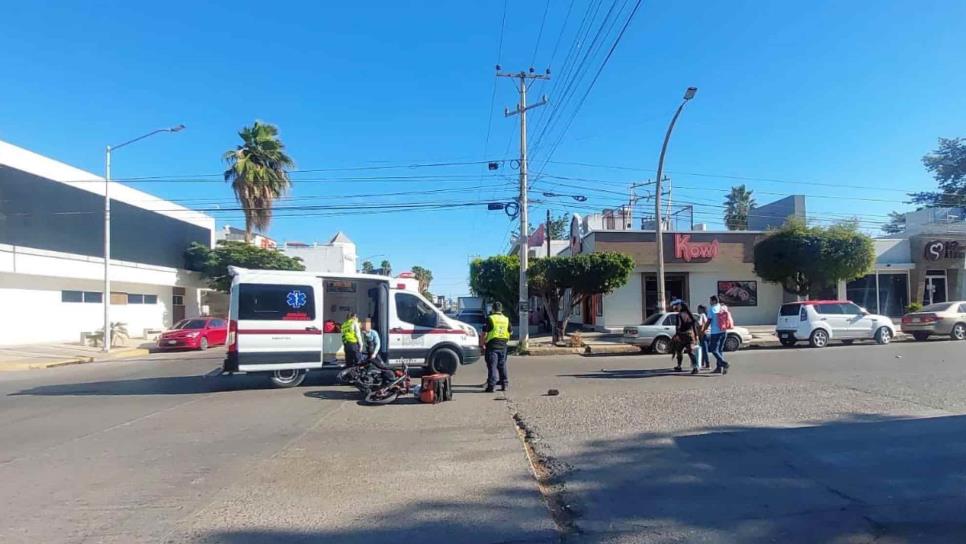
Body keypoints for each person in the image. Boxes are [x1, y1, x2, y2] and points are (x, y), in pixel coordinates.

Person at [481, 302, 511, 392]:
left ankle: (491, 386)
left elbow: (484, 333)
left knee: (492, 366)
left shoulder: (490, 318)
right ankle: (504, 384)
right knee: (502, 365)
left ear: (493, 309)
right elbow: (510, 332)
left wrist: (482, 344)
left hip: (492, 345)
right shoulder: (506, 319)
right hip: (503, 345)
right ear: (501, 309)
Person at [361, 318, 394, 382]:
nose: (366, 326)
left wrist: (374, 354)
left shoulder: (374, 333)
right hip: (366, 353)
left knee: (381, 365)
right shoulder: (363, 333)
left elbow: (378, 344)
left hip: (374, 353)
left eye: (368, 325)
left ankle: (387, 376)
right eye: (365, 325)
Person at [672, 302, 701, 374]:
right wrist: (696, 335)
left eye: (678, 306)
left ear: (682, 307)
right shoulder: (690, 315)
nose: (677, 307)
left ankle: (679, 366)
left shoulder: (679, 315)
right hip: (690, 336)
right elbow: (694, 326)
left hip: (682, 336)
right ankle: (695, 367)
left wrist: (677, 335)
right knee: (691, 352)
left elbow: (678, 326)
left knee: (679, 351)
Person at [704, 295, 730, 374]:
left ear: (714, 301)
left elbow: (708, 321)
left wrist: (703, 330)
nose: (709, 302)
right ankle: (719, 368)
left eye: (710, 301)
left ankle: (724, 363)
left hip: (715, 332)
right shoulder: (723, 307)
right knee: (720, 350)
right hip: (724, 331)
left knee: (713, 349)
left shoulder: (712, 309)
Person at [696, 305, 711, 369]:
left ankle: (707, 364)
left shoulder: (701, 315)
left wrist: (695, 321)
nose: (697, 310)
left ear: (701, 309)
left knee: (704, 350)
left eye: (698, 309)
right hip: (709, 334)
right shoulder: (707, 315)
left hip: (703, 334)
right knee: (704, 349)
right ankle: (702, 363)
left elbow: (699, 324)